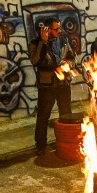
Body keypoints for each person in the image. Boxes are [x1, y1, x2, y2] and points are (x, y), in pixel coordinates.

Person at [29, 17, 75, 156]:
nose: (59, 31)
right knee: (43, 117)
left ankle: (66, 142)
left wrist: (67, 64)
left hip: (63, 84)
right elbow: (35, 60)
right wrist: (43, 42)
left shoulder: (62, 40)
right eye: (56, 29)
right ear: (48, 29)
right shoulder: (35, 43)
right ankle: (41, 145)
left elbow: (71, 56)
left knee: (66, 115)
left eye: (60, 28)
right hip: (47, 86)